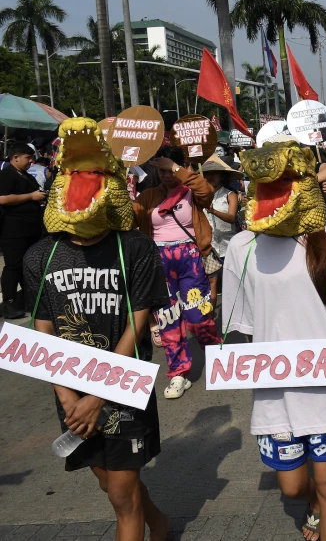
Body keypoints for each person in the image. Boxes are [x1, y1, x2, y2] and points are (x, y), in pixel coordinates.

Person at [25, 118, 170, 541]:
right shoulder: (40, 256)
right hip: (70, 392)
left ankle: (150, 524)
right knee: (109, 484)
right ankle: (159, 521)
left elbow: (137, 324)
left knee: (123, 496)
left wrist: (97, 397)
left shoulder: (136, 248)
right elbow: (43, 332)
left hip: (122, 387)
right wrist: (70, 398)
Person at [224, 136, 326, 541]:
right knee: (292, 486)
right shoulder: (242, 247)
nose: (275, 189)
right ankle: (313, 504)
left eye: (286, 180)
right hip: (275, 390)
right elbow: (244, 325)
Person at [133, 146, 219, 400]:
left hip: (190, 257)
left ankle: (218, 360)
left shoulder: (192, 192)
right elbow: (130, 218)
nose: (166, 175)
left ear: (181, 167)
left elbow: (207, 191)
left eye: (169, 170)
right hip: (158, 260)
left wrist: (177, 169)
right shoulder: (148, 195)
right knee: (168, 319)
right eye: (161, 171)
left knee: (198, 314)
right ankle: (178, 373)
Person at [0, 142, 46, 318]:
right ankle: (8, 302)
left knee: (28, 265)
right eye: (27, 158)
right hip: (13, 229)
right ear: (15, 157)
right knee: (13, 266)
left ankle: (26, 299)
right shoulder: (6, 175)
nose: (31, 161)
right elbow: (3, 199)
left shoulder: (26, 176)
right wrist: (31, 196)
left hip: (31, 229)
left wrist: (40, 197)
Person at [202, 155, 241, 309]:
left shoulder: (230, 195)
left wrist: (213, 211)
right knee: (210, 286)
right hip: (209, 248)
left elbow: (231, 217)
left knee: (233, 285)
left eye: (214, 173)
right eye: (207, 173)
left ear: (222, 176)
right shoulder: (200, 196)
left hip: (228, 247)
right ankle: (210, 317)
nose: (210, 176)